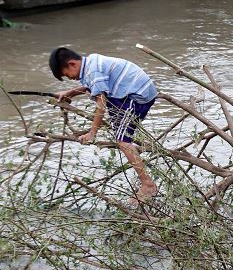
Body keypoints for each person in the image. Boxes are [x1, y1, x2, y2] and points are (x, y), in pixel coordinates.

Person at [49, 47, 159, 201]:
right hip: (132, 93)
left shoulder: (93, 71)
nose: (70, 78)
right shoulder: (91, 63)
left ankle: (148, 185)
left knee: (122, 140)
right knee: (120, 131)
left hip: (137, 96)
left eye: (67, 75)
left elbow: (101, 103)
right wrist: (70, 93)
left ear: (72, 64)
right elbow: (91, 87)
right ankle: (132, 151)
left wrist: (92, 133)